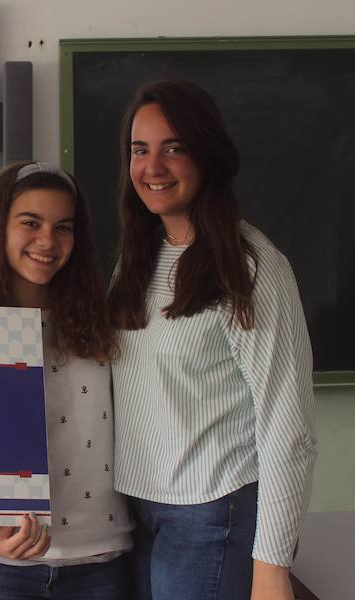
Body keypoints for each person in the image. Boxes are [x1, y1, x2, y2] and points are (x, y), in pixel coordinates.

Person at [108, 80, 317, 600]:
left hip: (212, 518)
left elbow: (288, 426)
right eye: (140, 150)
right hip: (137, 512)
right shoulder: (138, 258)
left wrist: (272, 566)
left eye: (173, 148)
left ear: (207, 154)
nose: (152, 167)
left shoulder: (250, 266)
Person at [0, 161, 134, 599]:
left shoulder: (107, 328)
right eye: (30, 223)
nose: (47, 241)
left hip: (100, 562)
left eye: (63, 227)